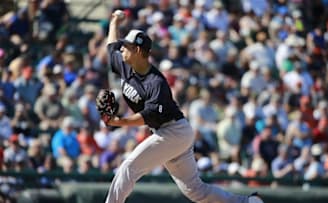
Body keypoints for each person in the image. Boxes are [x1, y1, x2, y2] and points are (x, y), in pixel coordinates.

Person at [101, 10, 264, 203]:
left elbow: (147, 116)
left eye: (126, 47)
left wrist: (117, 122)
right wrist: (114, 23)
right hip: (173, 132)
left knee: (129, 167)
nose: (122, 50)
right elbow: (111, 47)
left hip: (172, 132)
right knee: (196, 191)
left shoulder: (156, 83)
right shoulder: (125, 64)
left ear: (138, 51)